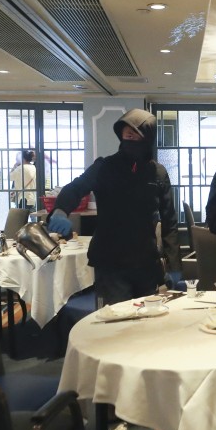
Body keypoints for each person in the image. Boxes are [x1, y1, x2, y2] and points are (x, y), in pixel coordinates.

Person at [47, 109, 181, 305]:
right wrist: (61, 209)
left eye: (136, 135)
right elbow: (76, 188)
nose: (130, 139)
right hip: (110, 263)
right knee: (115, 318)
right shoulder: (105, 167)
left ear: (148, 138)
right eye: (127, 135)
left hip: (146, 264)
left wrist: (174, 264)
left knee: (148, 317)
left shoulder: (158, 173)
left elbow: (169, 221)